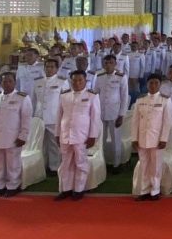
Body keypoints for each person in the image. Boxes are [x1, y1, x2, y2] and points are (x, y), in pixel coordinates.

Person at [55, 70, 102, 201]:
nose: (77, 83)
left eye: (80, 80)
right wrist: (57, 133)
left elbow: (95, 118)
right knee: (65, 163)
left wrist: (93, 136)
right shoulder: (64, 95)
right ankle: (66, 189)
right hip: (65, 134)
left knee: (80, 163)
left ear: (85, 81)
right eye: (74, 80)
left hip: (82, 135)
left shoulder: (92, 96)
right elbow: (59, 116)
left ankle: (79, 189)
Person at [0, 71, 32, 197]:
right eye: (4, 81)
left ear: (15, 83)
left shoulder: (22, 98)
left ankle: (13, 185)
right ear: (0, 83)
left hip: (12, 137)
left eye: (10, 81)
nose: (7, 84)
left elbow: (26, 119)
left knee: (13, 164)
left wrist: (23, 136)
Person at [131, 74, 172, 201]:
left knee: (155, 166)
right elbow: (135, 121)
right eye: (151, 83)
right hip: (142, 138)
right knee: (144, 165)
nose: (153, 85)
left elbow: (167, 122)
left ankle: (155, 190)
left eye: (156, 83)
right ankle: (144, 190)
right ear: (147, 84)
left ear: (160, 85)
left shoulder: (165, 100)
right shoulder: (140, 100)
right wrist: (134, 138)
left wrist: (164, 139)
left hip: (156, 139)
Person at [94, 54, 129, 171]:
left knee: (116, 140)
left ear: (115, 64)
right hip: (101, 112)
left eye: (111, 63)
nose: (108, 65)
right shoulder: (99, 76)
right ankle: (102, 162)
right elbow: (95, 94)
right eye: (106, 63)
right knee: (101, 140)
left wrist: (121, 115)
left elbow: (124, 97)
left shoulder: (121, 77)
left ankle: (116, 164)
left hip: (115, 113)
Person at [33, 57, 67, 176]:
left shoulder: (62, 82)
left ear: (57, 69)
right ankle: (42, 165)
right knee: (40, 143)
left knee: (54, 144)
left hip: (54, 116)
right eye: (47, 67)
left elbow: (65, 102)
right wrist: (33, 117)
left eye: (52, 67)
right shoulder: (37, 82)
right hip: (39, 117)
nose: (49, 69)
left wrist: (64, 118)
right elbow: (33, 100)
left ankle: (54, 167)